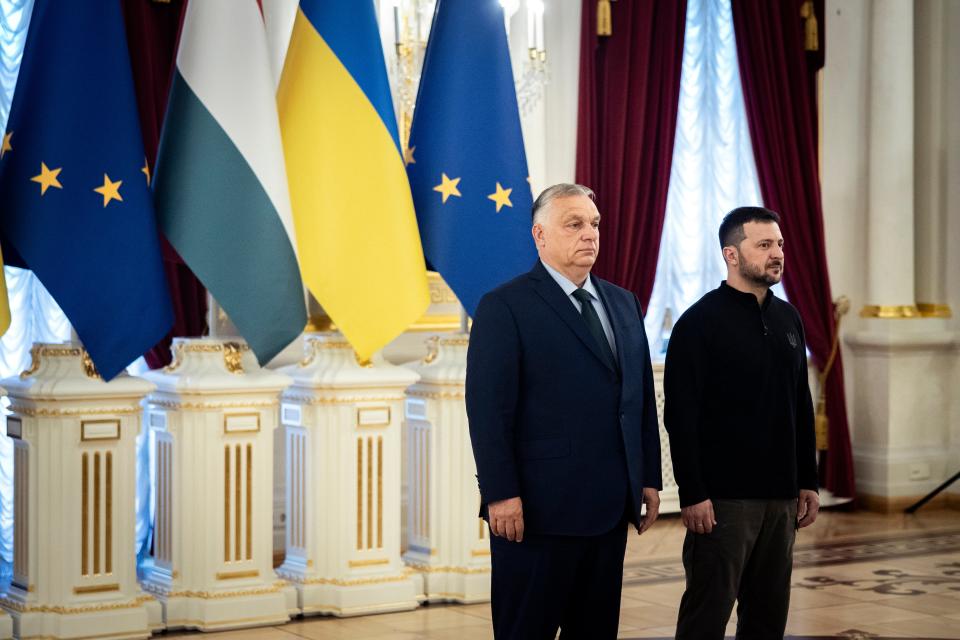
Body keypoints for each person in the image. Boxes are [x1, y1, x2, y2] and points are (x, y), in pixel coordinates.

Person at [466, 183, 662, 639]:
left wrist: (648, 475)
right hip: (537, 512)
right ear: (540, 235)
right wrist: (500, 493)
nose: (589, 234)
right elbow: (488, 411)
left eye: (594, 224)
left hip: (610, 507)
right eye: (574, 224)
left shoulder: (623, 302)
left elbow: (639, 399)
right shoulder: (504, 306)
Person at [664, 206, 820, 639]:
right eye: (765, 245)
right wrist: (693, 493)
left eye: (781, 244)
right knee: (705, 616)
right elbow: (681, 415)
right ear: (731, 255)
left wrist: (807, 479)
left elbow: (799, 405)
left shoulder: (789, 317)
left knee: (768, 617)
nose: (778, 254)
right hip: (724, 502)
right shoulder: (698, 323)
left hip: (781, 497)